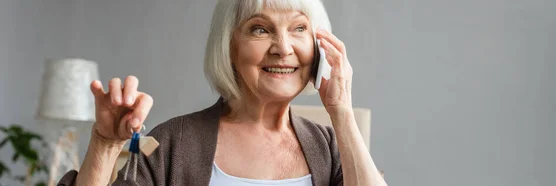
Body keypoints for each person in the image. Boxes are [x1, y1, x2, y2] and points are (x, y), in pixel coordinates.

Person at [57, 0, 387, 185]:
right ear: (229, 46)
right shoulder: (173, 143)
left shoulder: (330, 146)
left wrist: (341, 111)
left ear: (318, 47)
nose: (283, 48)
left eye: (299, 29)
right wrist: (104, 145)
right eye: (260, 29)